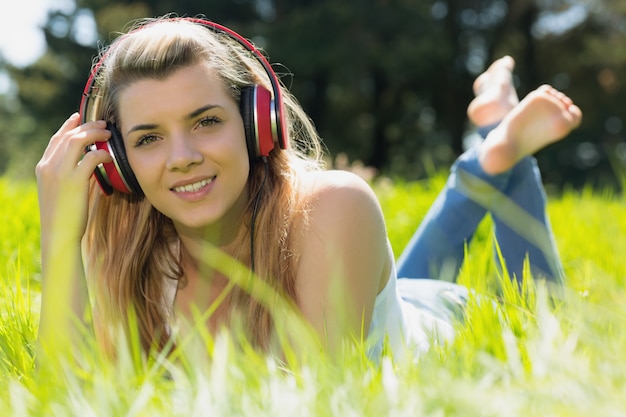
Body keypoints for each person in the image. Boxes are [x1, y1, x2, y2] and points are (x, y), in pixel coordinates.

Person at [35, 17, 582, 362]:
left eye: (205, 121)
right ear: (118, 164)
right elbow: (68, 399)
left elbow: (316, 396)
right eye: (149, 138)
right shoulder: (131, 256)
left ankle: (503, 152)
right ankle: (492, 147)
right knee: (390, 291)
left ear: (257, 124)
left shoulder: (334, 204)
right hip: (366, 300)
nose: (183, 158)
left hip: (439, 323)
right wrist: (61, 236)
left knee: (555, 335)